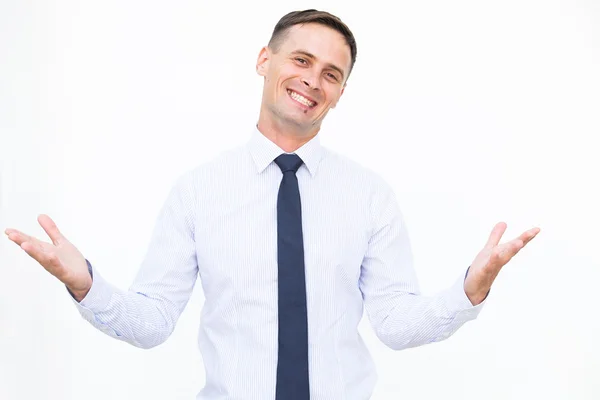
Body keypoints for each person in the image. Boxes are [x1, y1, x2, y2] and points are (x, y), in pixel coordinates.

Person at [4, 9, 540, 400]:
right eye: (301, 60)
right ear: (265, 60)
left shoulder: (369, 196)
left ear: (341, 92)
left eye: (332, 74)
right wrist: (85, 282)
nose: (313, 79)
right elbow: (153, 322)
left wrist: (470, 290)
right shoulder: (199, 191)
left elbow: (396, 324)